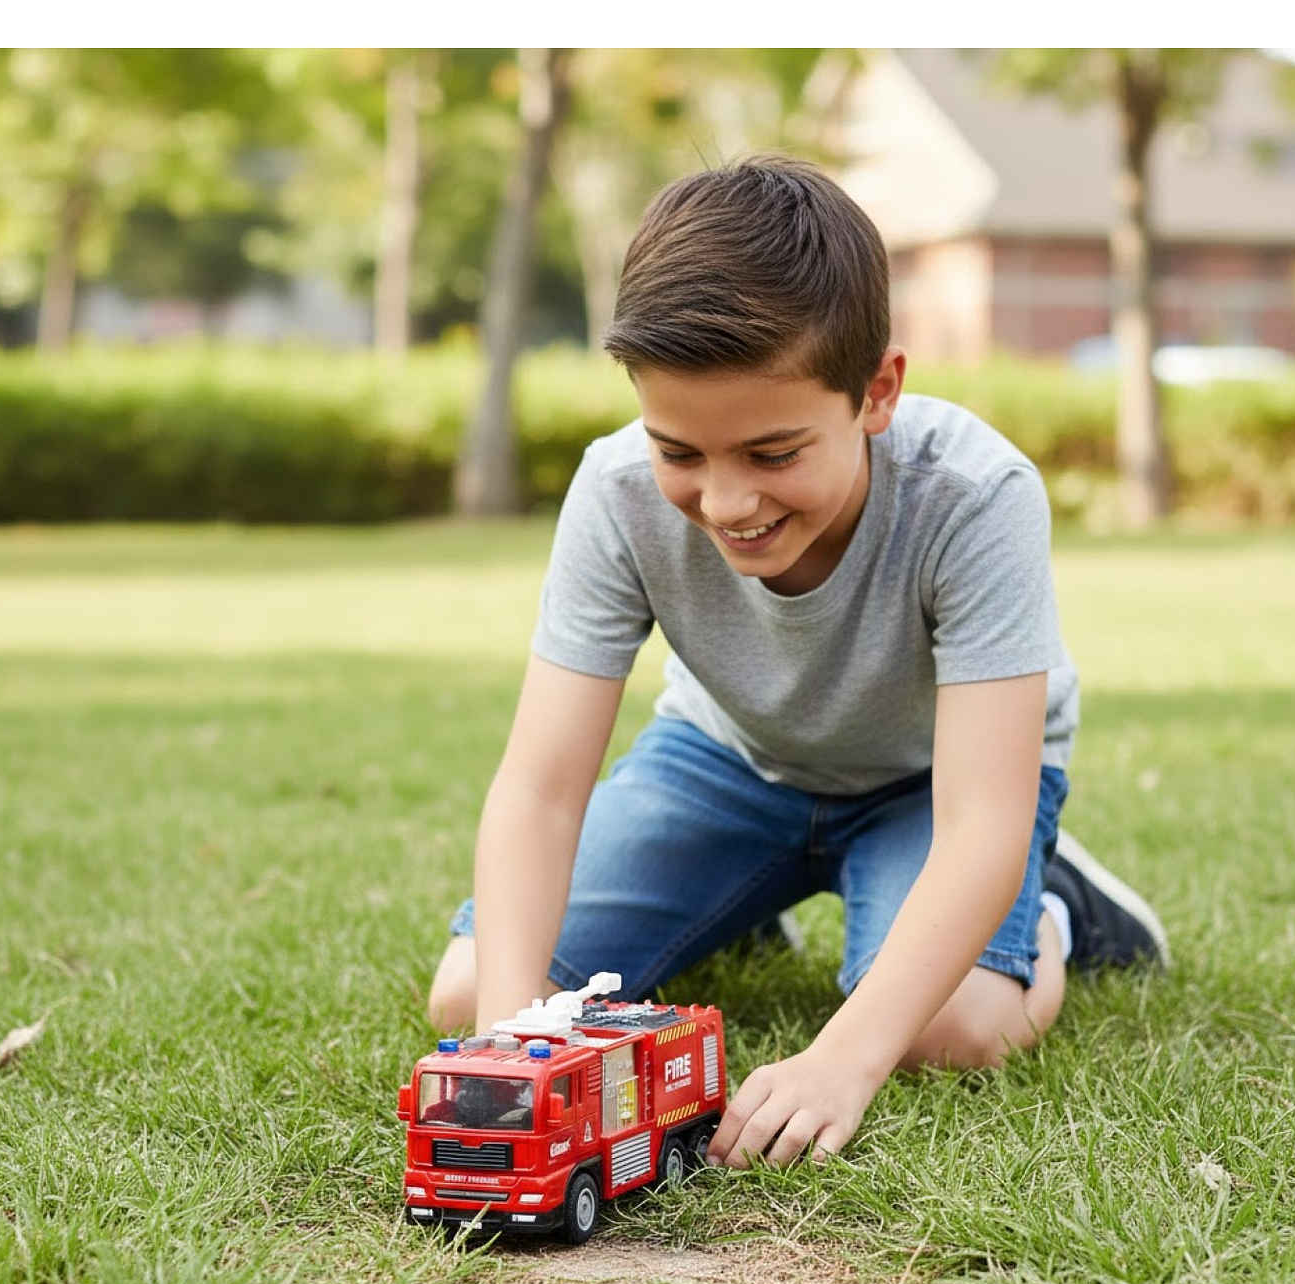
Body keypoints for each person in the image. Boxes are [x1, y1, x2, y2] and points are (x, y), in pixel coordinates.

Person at [427, 155, 1170, 1169]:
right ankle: (746, 892)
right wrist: (518, 1039)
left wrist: (842, 1060)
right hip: (725, 763)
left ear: (877, 391)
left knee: (952, 1028)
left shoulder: (976, 494)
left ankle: (1053, 908)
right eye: (679, 452)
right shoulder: (611, 494)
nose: (727, 502)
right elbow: (541, 787)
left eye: (773, 454)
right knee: (470, 989)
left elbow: (982, 816)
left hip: (932, 786)